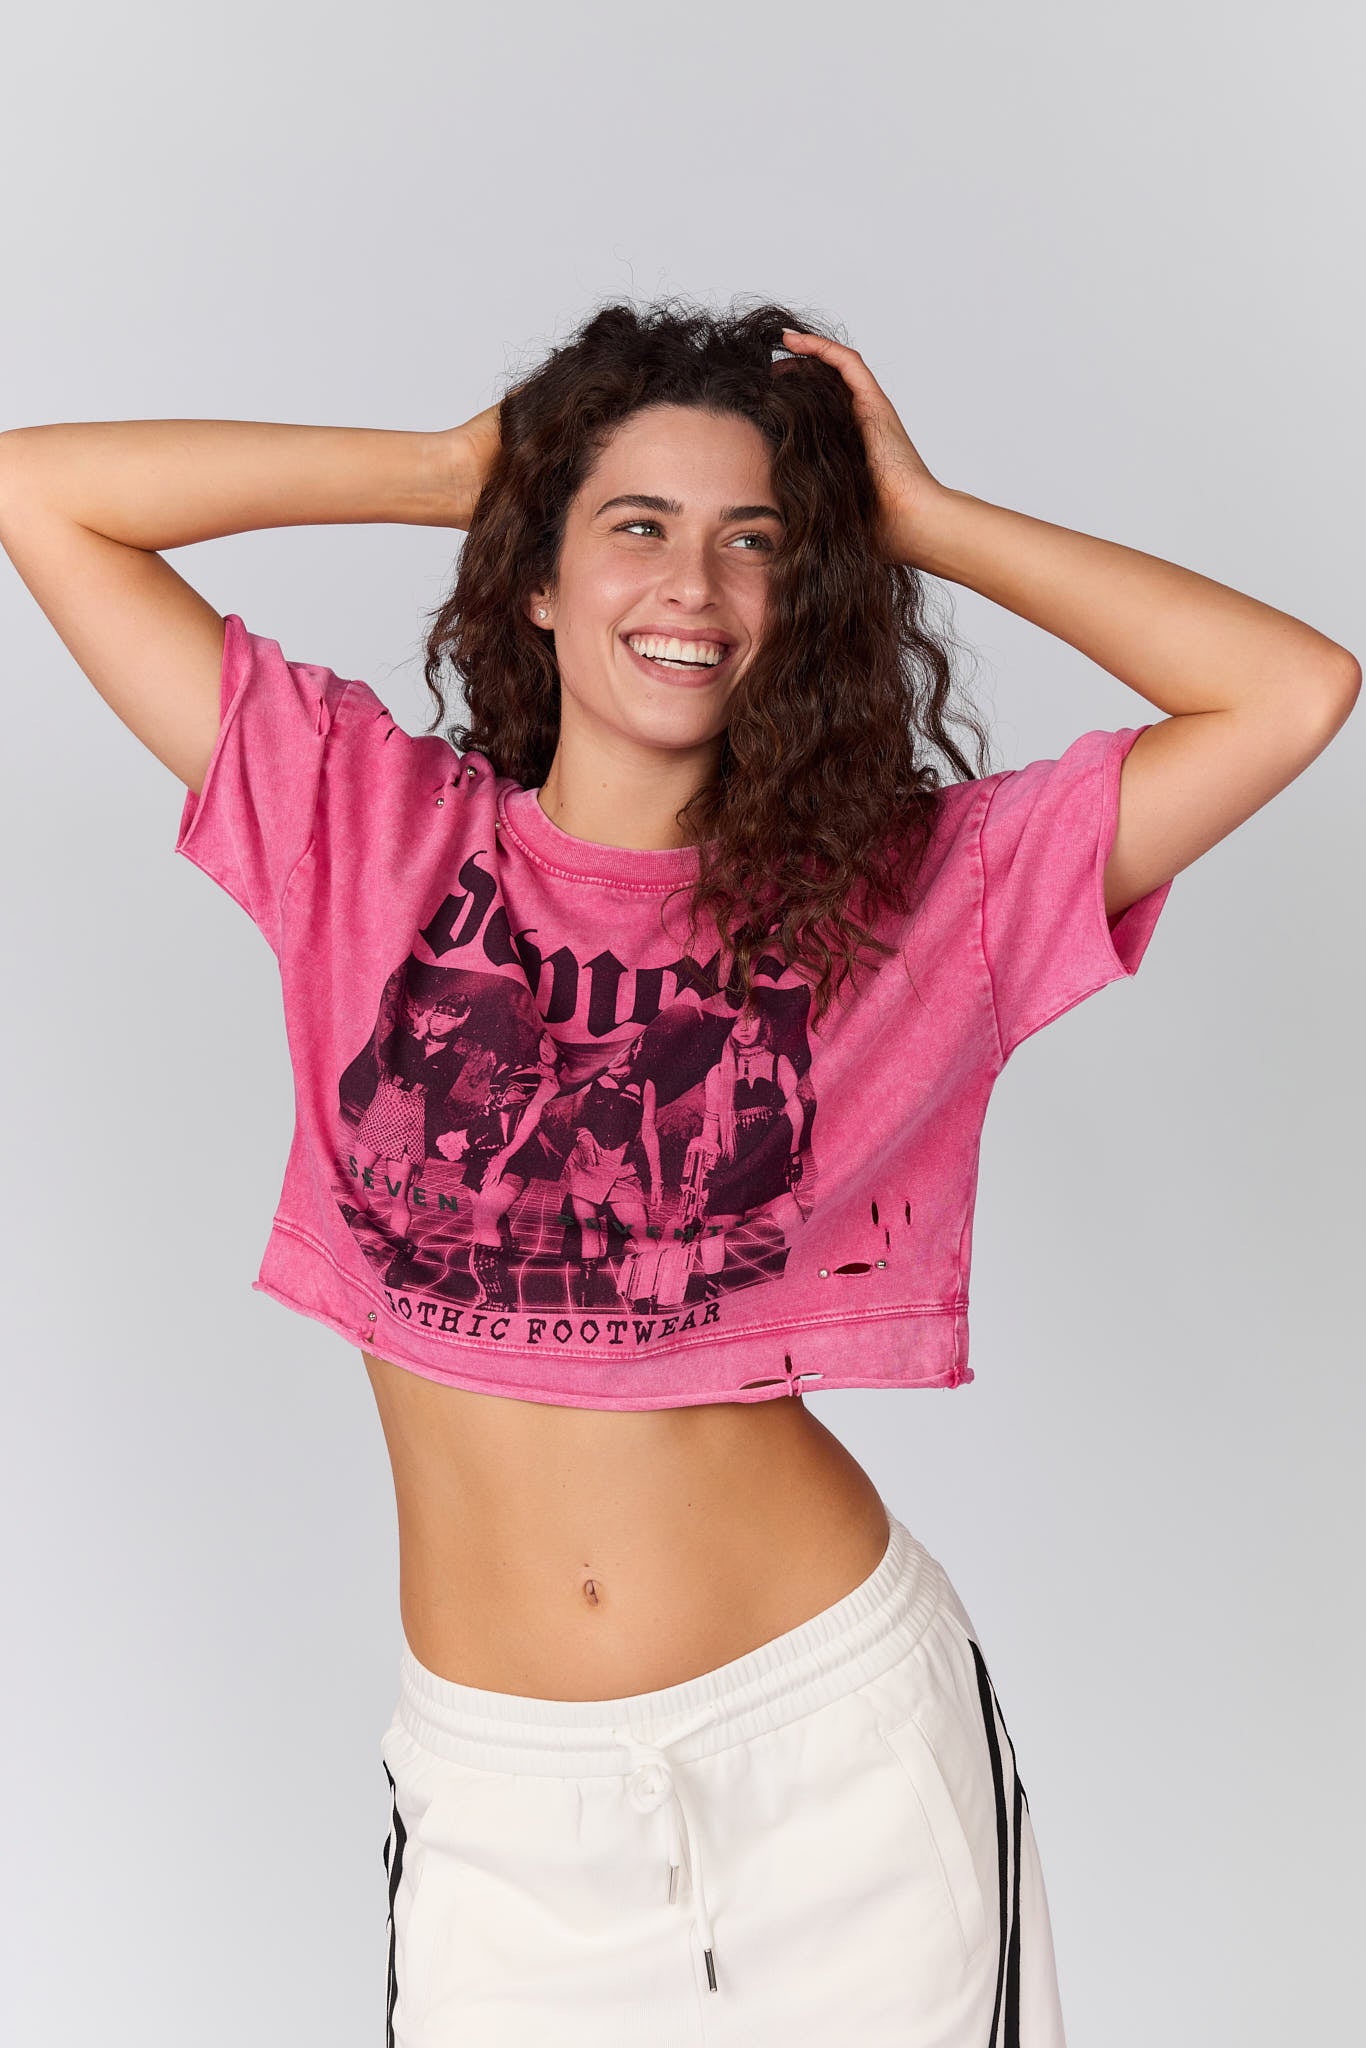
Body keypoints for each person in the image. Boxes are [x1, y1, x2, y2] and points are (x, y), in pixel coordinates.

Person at [1, 298, 1356, 2048]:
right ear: (538, 577)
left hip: (835, 1757)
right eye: (635, 527)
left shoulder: (911, 899)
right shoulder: (359, 828)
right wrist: (451, 469)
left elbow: (1289, 689)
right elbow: (41, 493)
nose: (693, 588)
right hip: (501, 1799)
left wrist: (919, 516)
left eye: (756, 543)